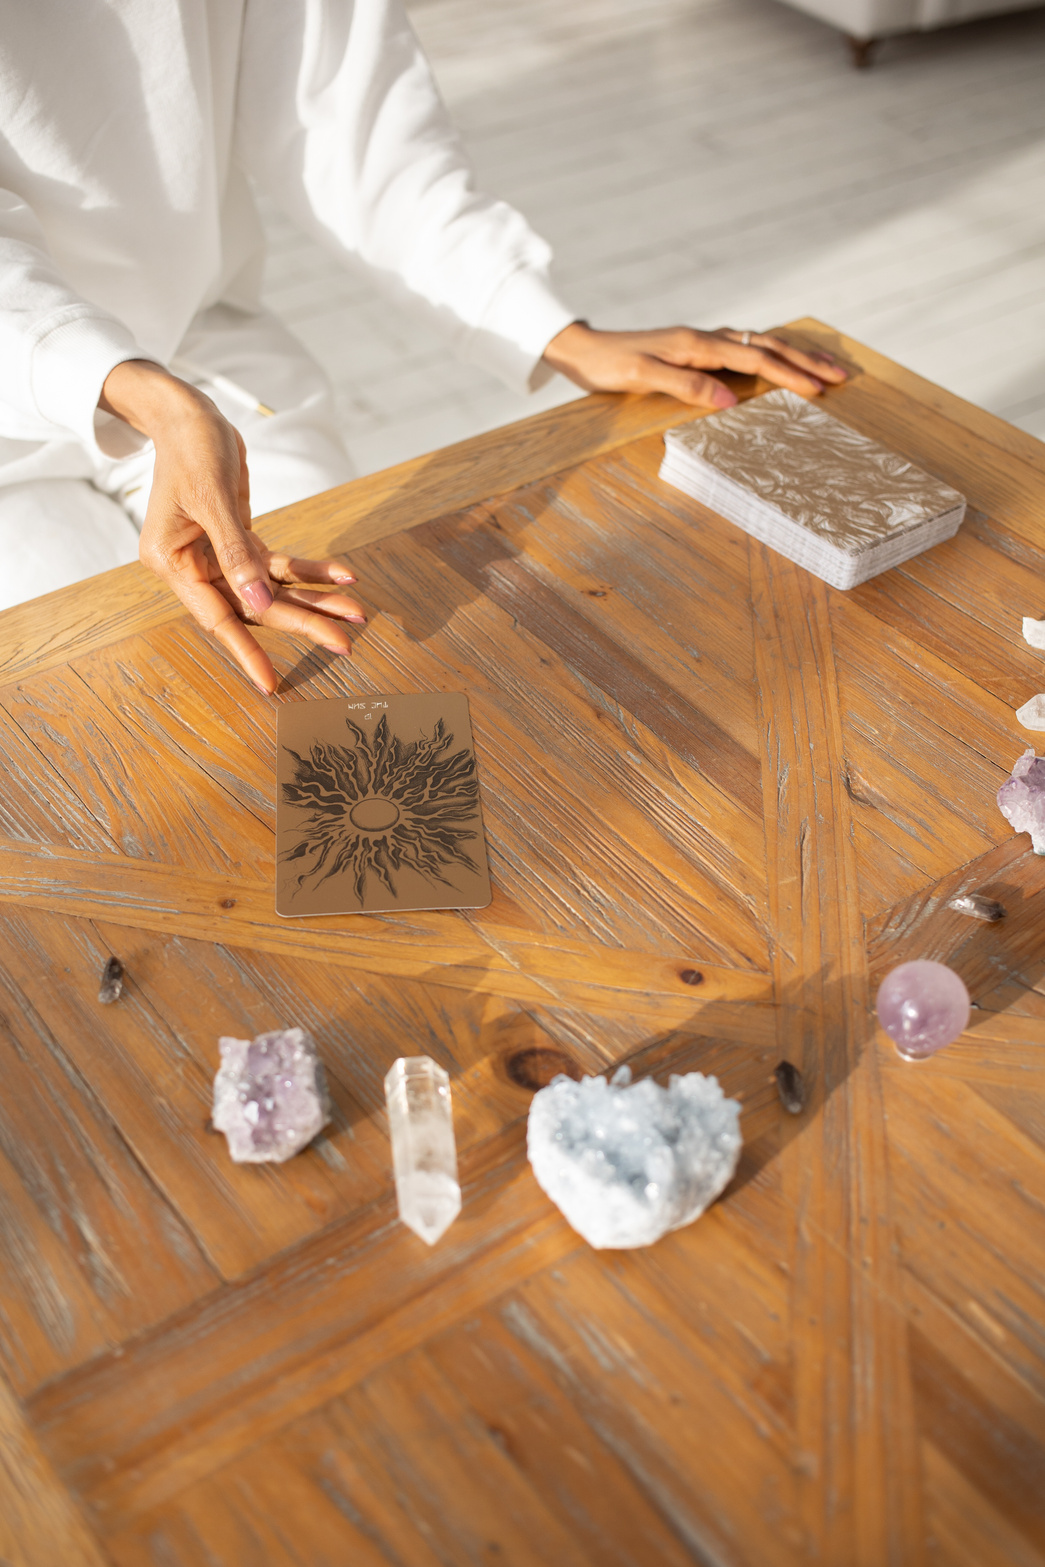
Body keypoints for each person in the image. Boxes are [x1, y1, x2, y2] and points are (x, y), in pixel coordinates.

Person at [0, 0, 843, 693]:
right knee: (93, 694)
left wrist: (549, 326)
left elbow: (347, 119)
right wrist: (132, 390)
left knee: (363, 654)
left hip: (194, 356)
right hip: (28, 441)